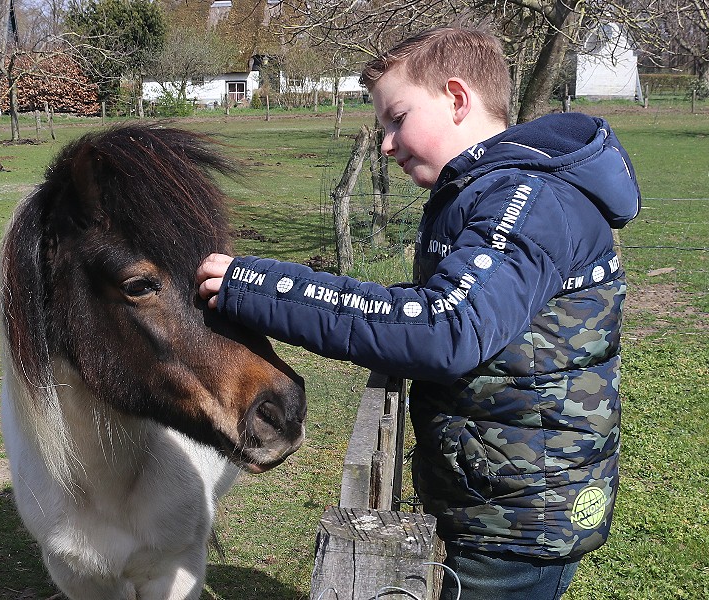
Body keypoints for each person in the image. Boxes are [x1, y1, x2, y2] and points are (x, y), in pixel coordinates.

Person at [197, 27, 640, 600]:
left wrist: (258, 286)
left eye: (397, 118)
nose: (386, 143)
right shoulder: (486, 192)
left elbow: (444, 328)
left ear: (457, 99)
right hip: (499, 492)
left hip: (516, 519)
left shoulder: (525, 201)